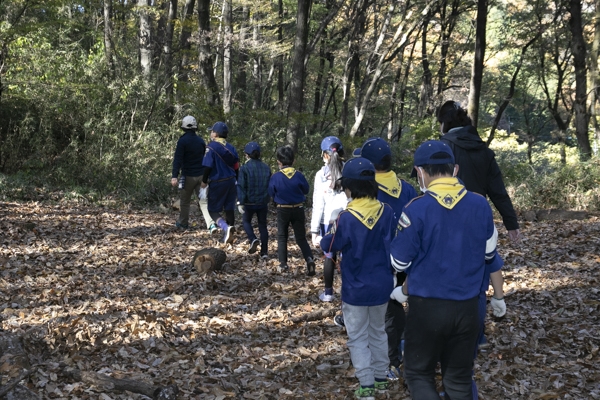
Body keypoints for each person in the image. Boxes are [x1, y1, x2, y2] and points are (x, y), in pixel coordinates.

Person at [390, 140, 498, 400]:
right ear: (455, 169)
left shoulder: (416, 208)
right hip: (468, 307)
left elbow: (398, 262)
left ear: (420, 172)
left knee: (418, 374)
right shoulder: (480, 204)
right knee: (459, 380)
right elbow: (489, 253)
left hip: (427, 307)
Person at [319, 157, 396, 399]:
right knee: (378, 331)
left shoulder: (346, 217)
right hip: (383, 285)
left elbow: (329, 245)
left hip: (355, 289)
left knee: (357, 337)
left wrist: (329, 228)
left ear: (349, 187)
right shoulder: (387, 212)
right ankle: (382, 377)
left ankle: (366, 384)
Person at [355, 137, 418, 380]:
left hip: (379, 259)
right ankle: (402, 355)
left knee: (387, 312)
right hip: (408, 256)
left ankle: (391, 362)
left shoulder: (367, 190)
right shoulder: (407, 187)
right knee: (402, 307)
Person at [437, 100, 520, 241]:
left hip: (445, 219)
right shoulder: (484, 150)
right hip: (477, 218)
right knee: (476, 259)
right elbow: (498, 191)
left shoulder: (441, 149)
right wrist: (511, 223)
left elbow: (429, 187)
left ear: (445, 123)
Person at [310, 136, 348, 302]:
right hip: (348, 218)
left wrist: (314, 230)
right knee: (347, 255)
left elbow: (318, 203)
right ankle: (348, 292)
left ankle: (328, 293)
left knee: (329, 256)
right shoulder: (349, 170)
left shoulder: (320, 175)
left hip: (328, 221)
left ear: (325, 155)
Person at [268, 146, 315, 275]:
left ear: (279, 161)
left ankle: (283, 264)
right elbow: (306, 190)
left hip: (283, 210)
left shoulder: (276, 176)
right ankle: (309, 259)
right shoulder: (299, 175)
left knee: (282, 237)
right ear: (293, 161)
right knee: (301, 238)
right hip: (298, 208)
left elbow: (271, 192)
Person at [171, 115, 216, 232]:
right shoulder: (200, 141)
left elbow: (178, 159)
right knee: (203, 202)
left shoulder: (182, 141)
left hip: (188, 177)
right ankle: (211, 224)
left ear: (184, 127)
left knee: (185, 202)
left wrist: (174, 176)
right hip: (201, 176)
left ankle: (183, 223)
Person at [201, 121, 240, 244]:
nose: (211, 133)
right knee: (229, 208)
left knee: (212, 210)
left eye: (212, 131)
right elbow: (236, 166)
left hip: (218, 181)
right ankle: (230, 235)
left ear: (216, 134)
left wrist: (204, 181)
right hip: (231, 181)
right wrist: (237, 180)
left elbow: (207, 166)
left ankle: (225, 228)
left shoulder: (211, 147)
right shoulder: (231, 147)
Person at [237, 141, 271, 258]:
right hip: (262, 202)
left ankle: (253, 239)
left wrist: (240, 202)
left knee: (246, 221)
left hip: (249, 202)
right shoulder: (266, 168)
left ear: (247, 154)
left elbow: (241, 186)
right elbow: (269, 185)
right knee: (262, 226)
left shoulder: (245, 168)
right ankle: (264, 252)